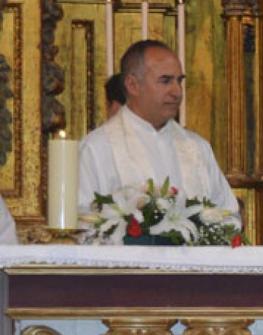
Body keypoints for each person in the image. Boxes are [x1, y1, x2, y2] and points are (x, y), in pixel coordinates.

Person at [77, 40, 239, 218]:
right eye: (165, 81)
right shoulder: (96, 148)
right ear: (132, 85)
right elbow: (83, 220)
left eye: (179, 81)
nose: (177, 91)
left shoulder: (197, 148)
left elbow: (227, 215)